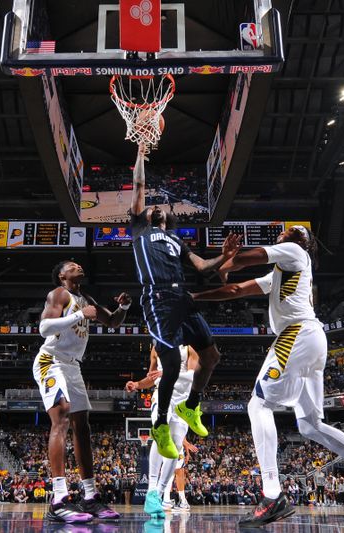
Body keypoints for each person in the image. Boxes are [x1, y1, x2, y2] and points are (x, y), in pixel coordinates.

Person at [191, 226, 344, 526]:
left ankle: (272, 495)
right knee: (311, 425)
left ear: (301, 242)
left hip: (296, 334)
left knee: (259, 405)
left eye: (288, 232)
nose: (281, 234)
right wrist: (196, 296)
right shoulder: (283, 275)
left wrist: (227, 259)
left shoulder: (296, 253)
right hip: (312, 339)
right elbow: (235, 289)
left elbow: (245, 259)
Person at [129, 142, 240, 458]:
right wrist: (140, 153)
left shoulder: (177, 239)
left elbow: (203, 268)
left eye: (158, 208)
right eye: (151, 207)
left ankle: (191, 405)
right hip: (157, 300)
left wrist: (224, 256)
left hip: (182, 297)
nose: (155, 207)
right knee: (174, 364)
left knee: (212, 356)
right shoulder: (139, 230)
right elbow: (139, 186)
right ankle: (161, 424)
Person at [34, 260, 130, 523]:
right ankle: (59, 499)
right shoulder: (59, 294)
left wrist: (124, 306)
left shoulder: (84, 297)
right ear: (62, 274)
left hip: (72, 366)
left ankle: (89, 497)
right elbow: (43, 328)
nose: (78, 266)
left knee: (83, 427)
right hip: (50, 361)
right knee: (62, 416)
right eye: (72, 265)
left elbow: (111, 322)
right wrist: (79, 315)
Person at [125, 345, 198, 517]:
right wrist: (137, 384)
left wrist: (167, 373)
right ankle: (151, 491)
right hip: (162, 394)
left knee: (176, 446)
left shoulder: (190, 346)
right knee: (160, 435)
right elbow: (151, 378)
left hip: (183, 398)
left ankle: (158, 494)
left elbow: (193, 375)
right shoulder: (156, 347)